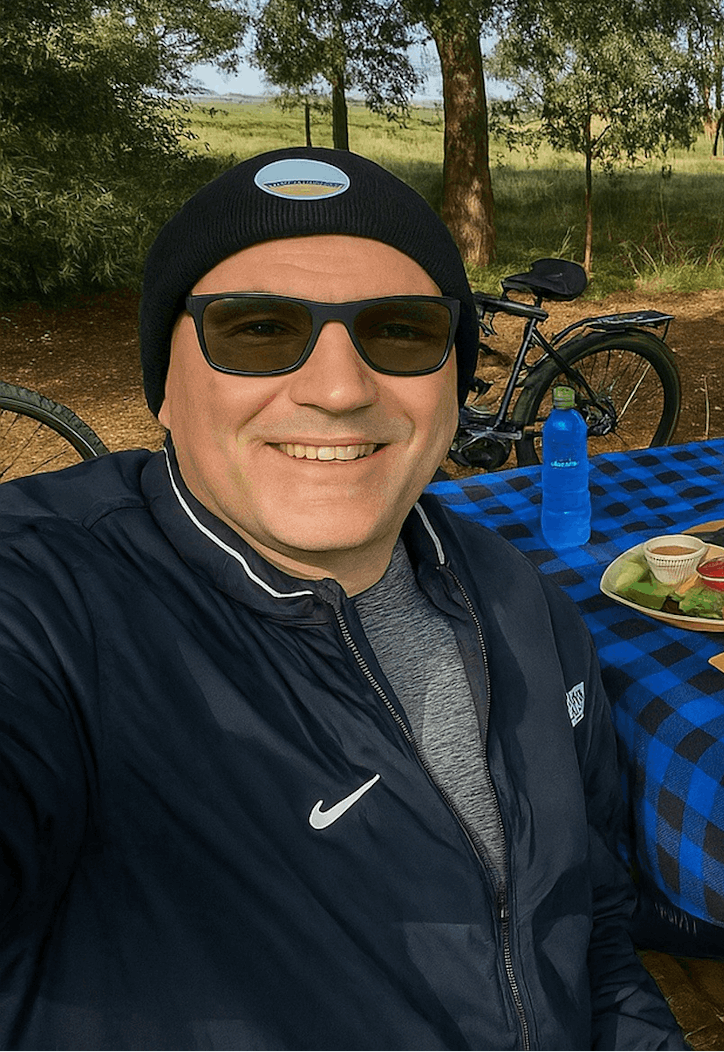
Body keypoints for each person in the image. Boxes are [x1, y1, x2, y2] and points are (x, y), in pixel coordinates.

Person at [0, 148, 685, 1050]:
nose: (339, 387)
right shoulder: (56, 603)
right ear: (164, 388)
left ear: (449, 385)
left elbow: (587, 922)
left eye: (400, 331)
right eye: (256, 330)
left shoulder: (518, 603)